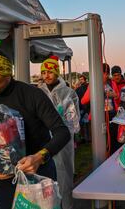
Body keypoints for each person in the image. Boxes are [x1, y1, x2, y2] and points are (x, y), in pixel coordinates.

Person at [0, 48, 70, 209]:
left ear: (6, 72)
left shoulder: (32, 95)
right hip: (6, 179)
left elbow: (62, 132)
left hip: (39, 173)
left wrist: (39, 157)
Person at [39, 55, 80, 209]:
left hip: (62, 139)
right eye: (44, 73)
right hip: (43, 139)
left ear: (56, 73)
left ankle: (67, 205)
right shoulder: (39, 92)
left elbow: (73, 120)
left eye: (50, 72)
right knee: (45, 177)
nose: (46, 76)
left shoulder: (68, 93)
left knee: (64, 175)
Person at [81, 63, 121, 154]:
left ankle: (112, 158)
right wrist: (96, 92)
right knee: (102, 142)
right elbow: (83, 101)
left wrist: (113, 95)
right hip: (99, 116)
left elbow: (117, 96)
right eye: (103, 73)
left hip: (112, 115)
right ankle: (102, 161)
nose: (105, 76)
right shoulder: (93, 85)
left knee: (113, 140)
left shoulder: (112, 83)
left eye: (107, 73)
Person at [75, 74, 90, 143]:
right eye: (80, 79)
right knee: (83, 124)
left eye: (82, 79)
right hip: (82, 108)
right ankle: (84, 138)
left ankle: (87, 138)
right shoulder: (79, 88)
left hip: (86, 108)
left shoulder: (87, 87)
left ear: (85, 79)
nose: (81, 81)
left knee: (86, 124)